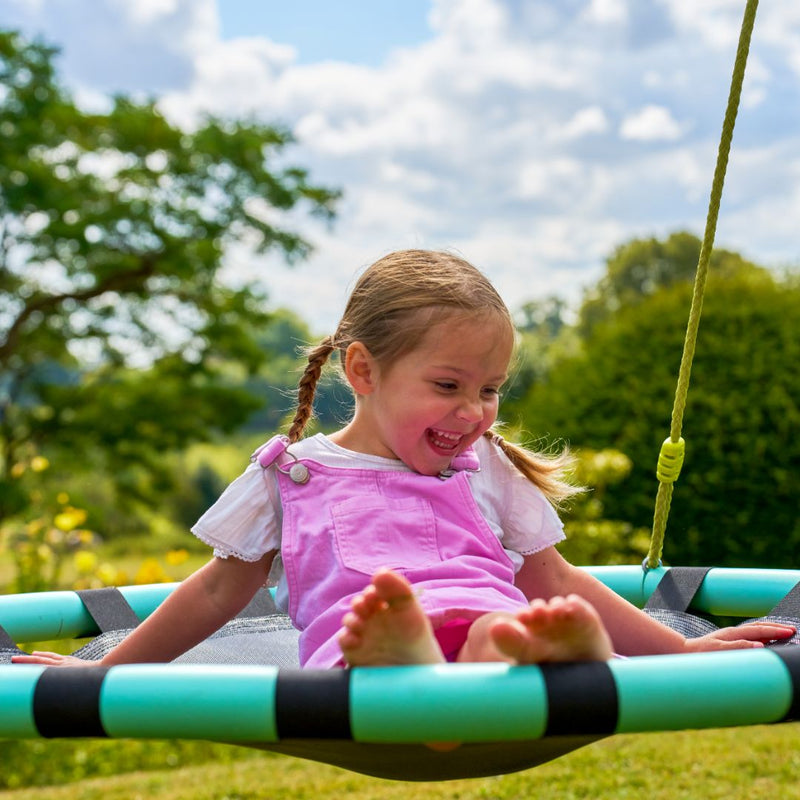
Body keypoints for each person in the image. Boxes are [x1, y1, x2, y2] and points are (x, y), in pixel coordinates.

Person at [13, 249, 794, 671]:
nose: (476, 412)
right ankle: (407, 650)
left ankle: (524, 649)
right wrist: (105, 670)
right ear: (364, 372)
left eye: (491, 388)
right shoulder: (292, 473)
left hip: (496, 627)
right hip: (360, 658)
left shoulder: (481, 466)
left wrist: (687, 651)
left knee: (507, 625)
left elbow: (553, 578)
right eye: (449, 386)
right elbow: (218, 590)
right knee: (385, 635)